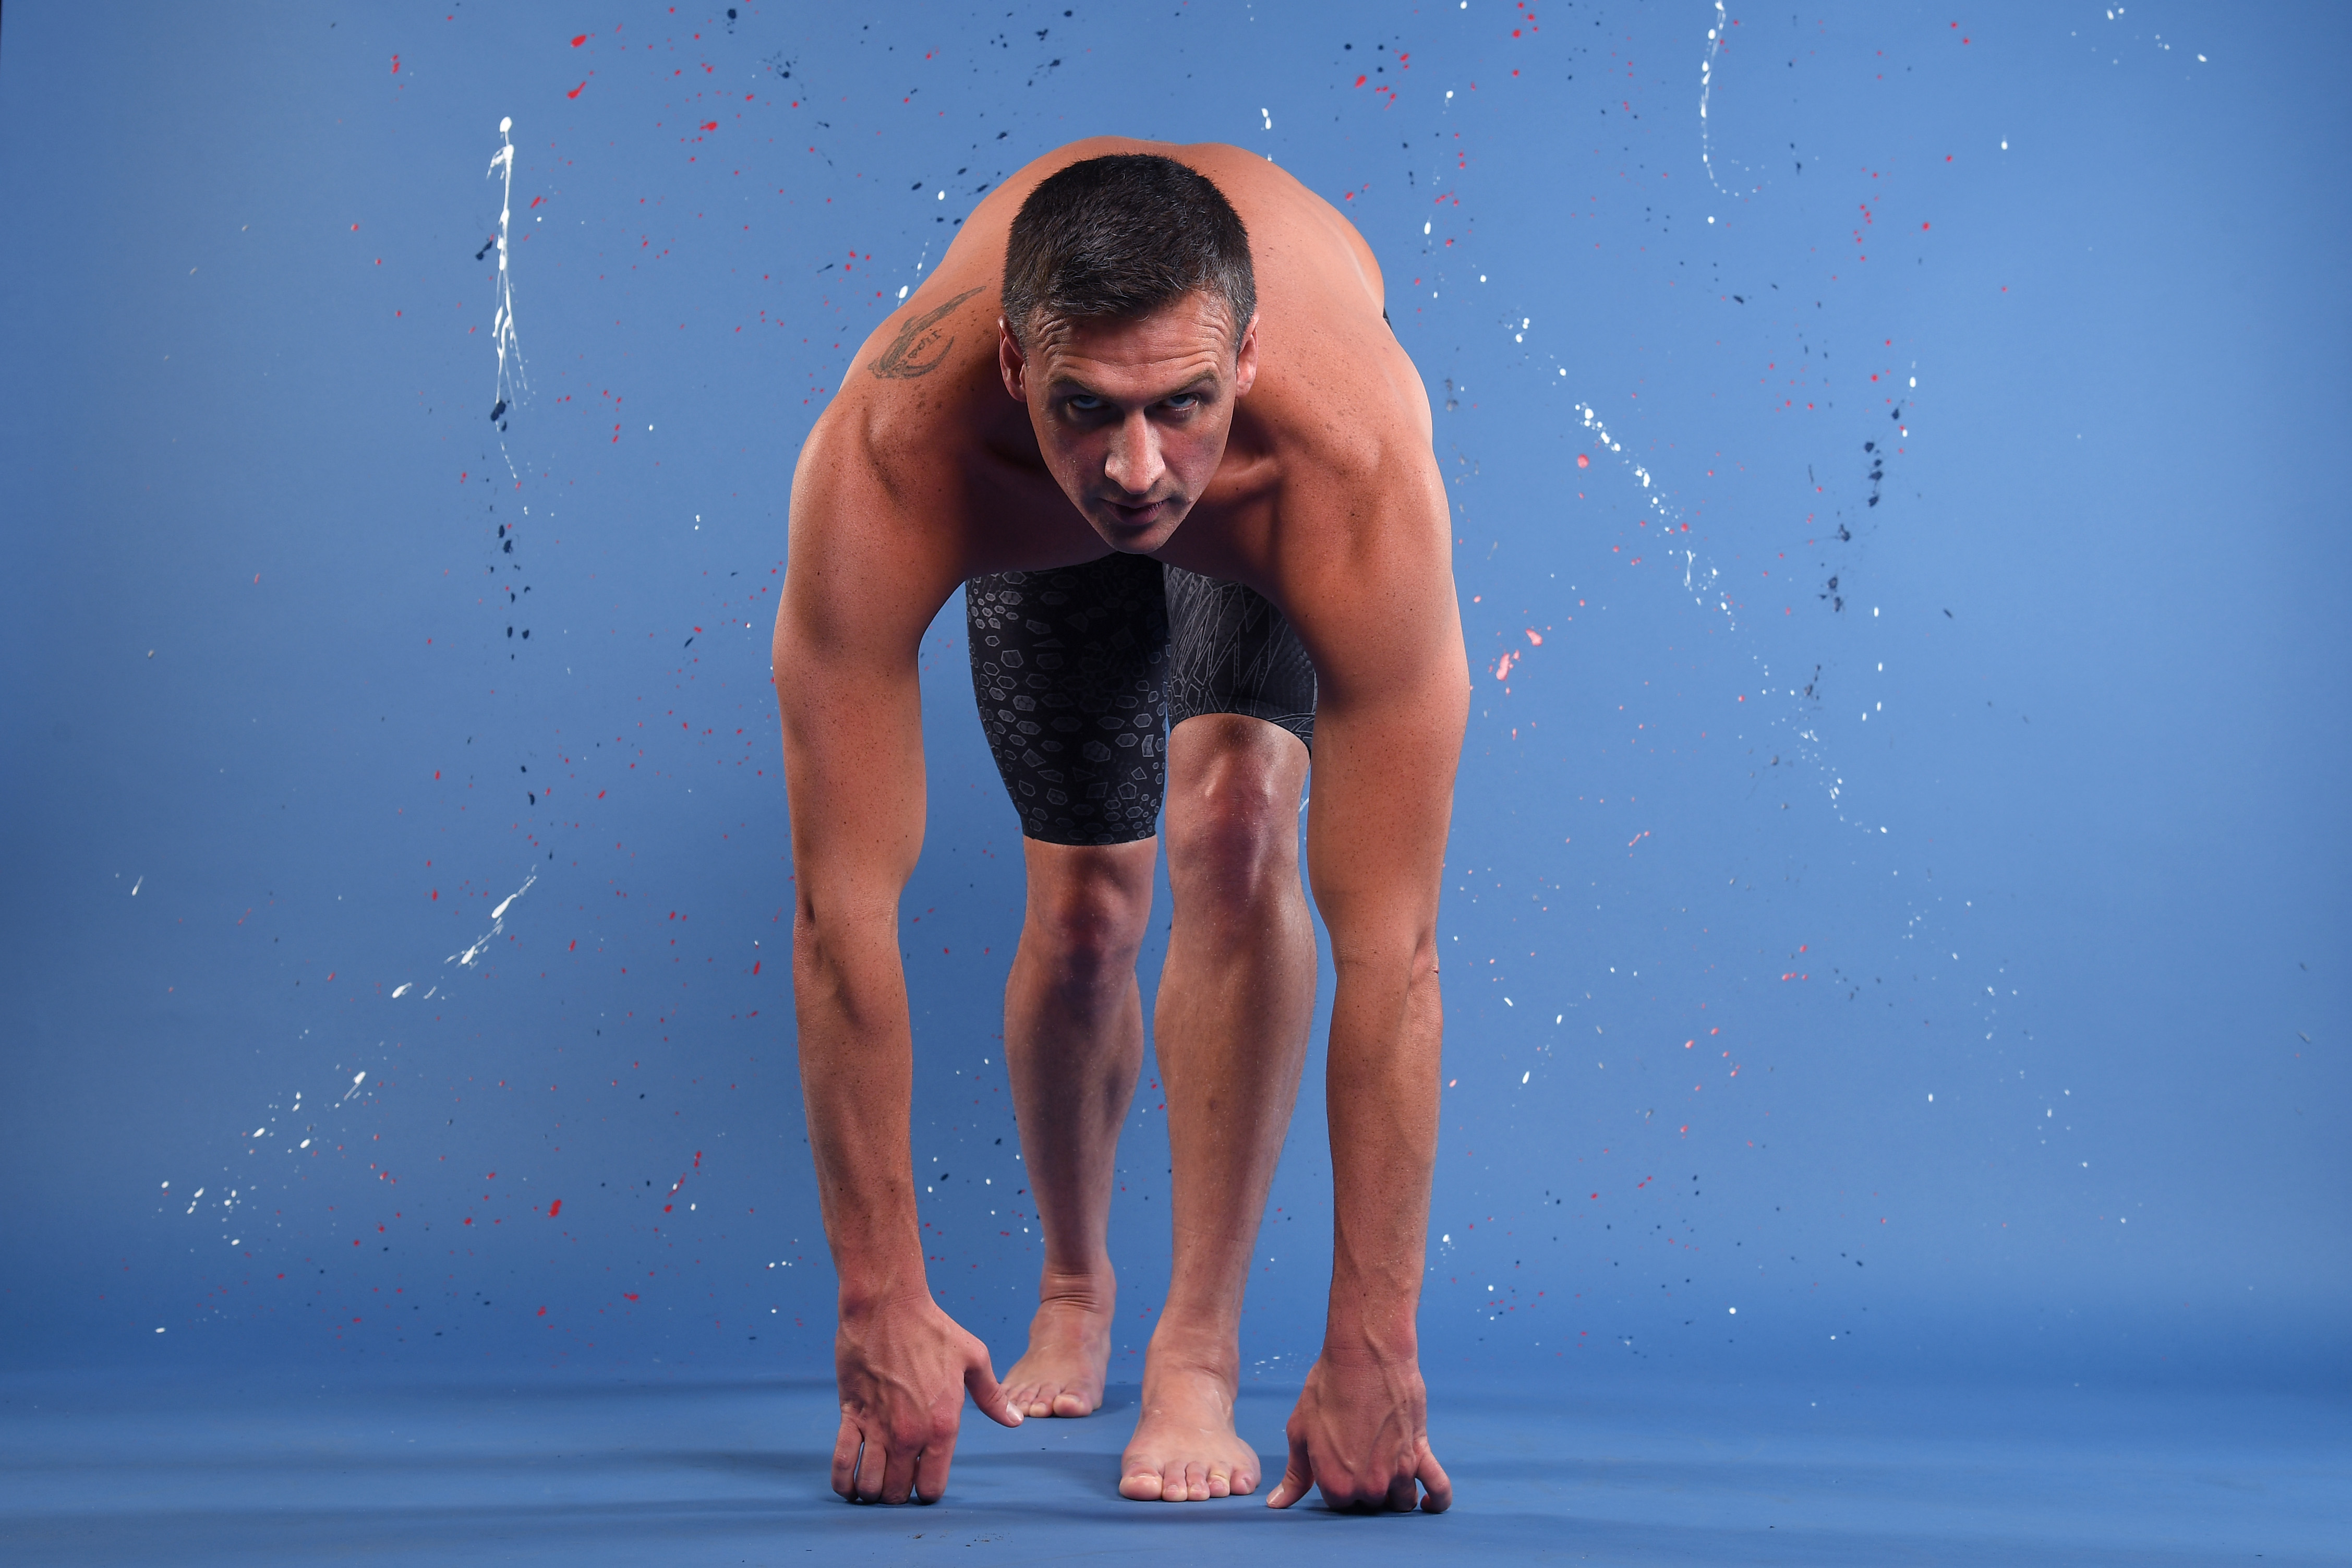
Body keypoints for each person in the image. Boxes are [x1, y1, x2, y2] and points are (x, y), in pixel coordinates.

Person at [772, 138, 1467, 1512]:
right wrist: (878, 1303)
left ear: (1250, 357)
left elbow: (1396, 951)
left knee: (1234, 831)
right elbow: (837, 914)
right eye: (1089, 407)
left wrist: (1377, 1347)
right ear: (1018, 368)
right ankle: (1076, 1288)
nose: (1140, 469)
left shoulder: (1349, 468)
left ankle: (1198, 1350)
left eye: (1183, 406)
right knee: (1086, 912)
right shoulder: (896, 452)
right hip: (1015, 502)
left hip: (1268, 498)